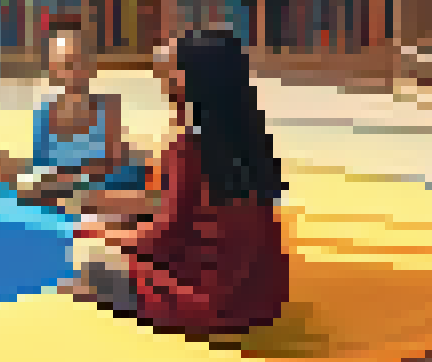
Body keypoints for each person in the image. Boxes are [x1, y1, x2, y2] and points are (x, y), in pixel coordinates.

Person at [64, 29, 290, 337]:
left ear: (191, 80)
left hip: (213, 303)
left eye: (171, 71)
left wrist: (103, 234)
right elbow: (180, 209)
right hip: (261, 298)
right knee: (112, 238)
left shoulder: (188, 147)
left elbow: (162, 237)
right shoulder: (248, 139)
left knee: (87, 257)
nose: (162, 78)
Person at [0, 26, 148, 211]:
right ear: (52, 68)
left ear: (90, 65)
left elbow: (110, 168)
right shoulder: (43, 114)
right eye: (63, 64)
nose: (71, 73)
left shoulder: (107, 108)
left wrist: (68, 181)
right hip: (60, 202)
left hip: (99, 198)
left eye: (77, 63)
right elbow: (40, 172)